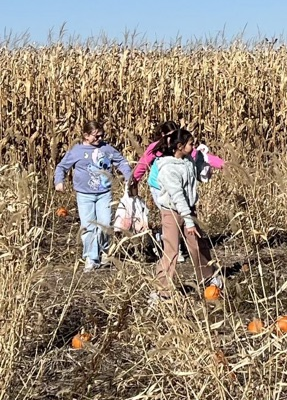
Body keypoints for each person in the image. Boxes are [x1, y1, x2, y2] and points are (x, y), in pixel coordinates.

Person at [132, 120, 225, 262]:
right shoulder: (156, 148)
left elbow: (203, 157)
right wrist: (134, 180)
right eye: (170, 134)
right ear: (163, 135)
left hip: (179, 186)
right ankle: (171, 245)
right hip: (158, 186)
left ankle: (172, 241)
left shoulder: (184, 150)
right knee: (172, 215)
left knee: (180, 214)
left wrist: (223, 164)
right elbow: (143, 164)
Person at [150, 128, 221, 304]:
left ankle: (208, 279)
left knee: (197, 245)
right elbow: (177, 196)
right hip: (172, 212)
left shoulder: (187, 160)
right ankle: (162, 290)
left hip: (189, 209)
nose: (194, 146)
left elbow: (196, 175)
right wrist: (188, 221)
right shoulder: (167, 168)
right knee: (171, 250)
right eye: (191, 144)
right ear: (180, 146)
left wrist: (202, 161)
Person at [54, 120, 132, 271]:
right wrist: (59, 181)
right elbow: (61, 167)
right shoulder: (76, 151)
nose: (99, 139)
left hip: (104, 193)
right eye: (96, 136)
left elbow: (121, 161)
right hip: (84, 194)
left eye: (101, 136)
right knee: (88, 226)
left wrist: (129, 176)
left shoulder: (107, 149)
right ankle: (91, 257)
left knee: (105, 224)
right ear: (86, 135)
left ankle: (103, 252)